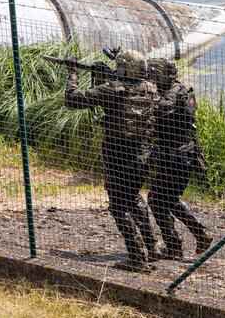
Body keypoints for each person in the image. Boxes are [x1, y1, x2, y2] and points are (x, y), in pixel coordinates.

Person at [62, 49, 160, 273]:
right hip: (142, 155)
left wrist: (73, 73)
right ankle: (152, 246)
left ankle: (137, 258)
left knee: (118, 207)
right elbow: (115, 97)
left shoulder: (113, 89)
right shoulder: (150, 89)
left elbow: (72, 99)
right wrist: (105, 74)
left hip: (118, 155)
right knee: (134, 197)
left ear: (124, 68)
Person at [146, 58, 212, 260]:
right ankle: (199, 235)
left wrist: (143, 90)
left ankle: (175, 246)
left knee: (157, 201)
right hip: (178, 155)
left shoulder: (173, 95)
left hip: (177, 157)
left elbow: (159, 108)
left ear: (163, 74)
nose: (150, 77)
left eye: (153, 73)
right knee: (167, 200)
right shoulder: (181, 91)